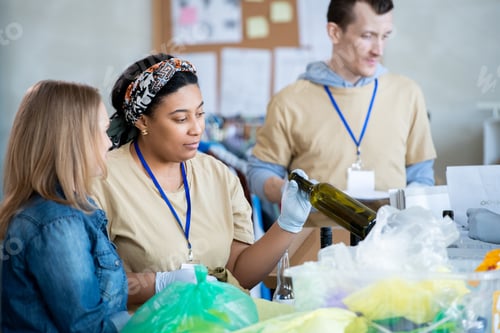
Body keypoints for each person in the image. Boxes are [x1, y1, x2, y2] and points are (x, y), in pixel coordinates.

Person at [91, 53, 312, 309]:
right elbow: (88, 287)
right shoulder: (102, 179)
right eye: (181, 119)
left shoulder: (219, 175)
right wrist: (159, 284)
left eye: (200, 113)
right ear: (142, 121)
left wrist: (287, 225)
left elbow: (239, 275)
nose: (197, 128)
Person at [247, 0, 437, 230]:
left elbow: (421, 173)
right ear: (334, 32)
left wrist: (414, 199)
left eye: (385, 36)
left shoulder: (408, 93)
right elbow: (260, 173)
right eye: (367, 36)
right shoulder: (289, 101)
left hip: (392, 244)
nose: (378, 49)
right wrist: (284, 190)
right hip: (314, 250)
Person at [0, 80, 130, 332]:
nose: (109, 142)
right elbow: (87, 328)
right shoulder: (58, 222)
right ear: (73, 139)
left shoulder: (64, 211)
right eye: (103, 131)